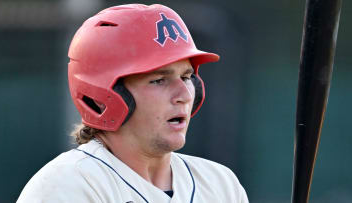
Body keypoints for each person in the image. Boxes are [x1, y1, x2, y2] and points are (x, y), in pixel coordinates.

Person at [17, 4, 249, 203]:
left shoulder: (220, 185)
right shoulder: (68, 186)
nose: (184, 94)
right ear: (105, 93)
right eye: (159, 80)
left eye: (187, 77)